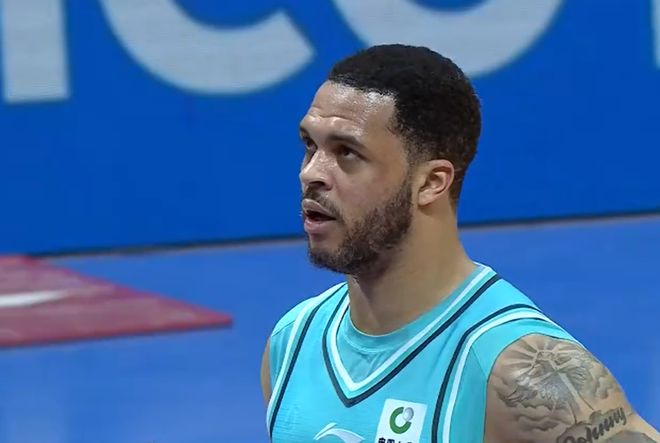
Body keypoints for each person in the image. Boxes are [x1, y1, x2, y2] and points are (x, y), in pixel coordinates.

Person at [260, 44, 659, 443]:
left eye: (347, 153)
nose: (311, 173)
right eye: (310, 145)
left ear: (431, 183)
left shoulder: (519, 374)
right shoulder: (292, 343)